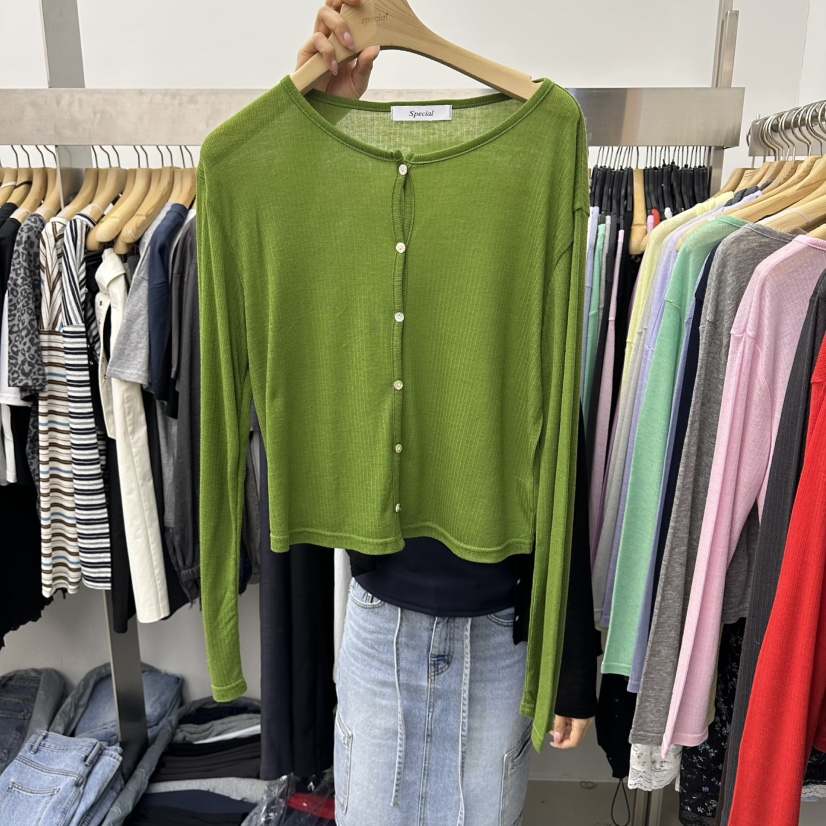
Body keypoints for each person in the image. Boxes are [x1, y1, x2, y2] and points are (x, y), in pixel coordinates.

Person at [295, 3, 595, 823]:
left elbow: (559, 438)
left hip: (499, 632)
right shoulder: (346, 215)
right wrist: (324, 113)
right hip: (378, 623)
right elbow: (291, 239)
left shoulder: (535, 169)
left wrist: (570, 660)